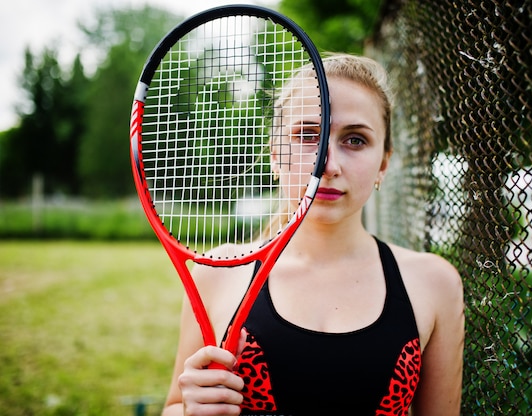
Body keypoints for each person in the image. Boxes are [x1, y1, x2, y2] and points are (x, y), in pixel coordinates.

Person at [161, 54, 465, 416]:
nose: (328, 165)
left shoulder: (434, 283)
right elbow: (175, 406)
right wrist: (189, 410)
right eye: (307, 135)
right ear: (275, 154)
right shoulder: (218, 272)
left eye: (355, 140)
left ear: (383, 163)